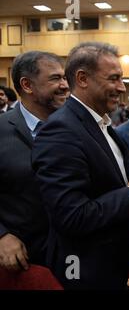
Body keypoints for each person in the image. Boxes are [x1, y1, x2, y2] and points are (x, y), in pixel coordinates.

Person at [32, 42, 129, 289]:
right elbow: (72, 216)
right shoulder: (60, 130)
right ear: (82, 79)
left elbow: (100, 184)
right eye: (114, 79)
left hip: (113, 261)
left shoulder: (102, 123)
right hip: (85, 270)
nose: (121, 88)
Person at [0, 51, 69, 271]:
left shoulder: (78, 127)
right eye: (55, 78)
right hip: (23, 262)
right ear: (27, 85)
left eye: (65, 77)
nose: (65, 85)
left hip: (76, 256)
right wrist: (1, 235)